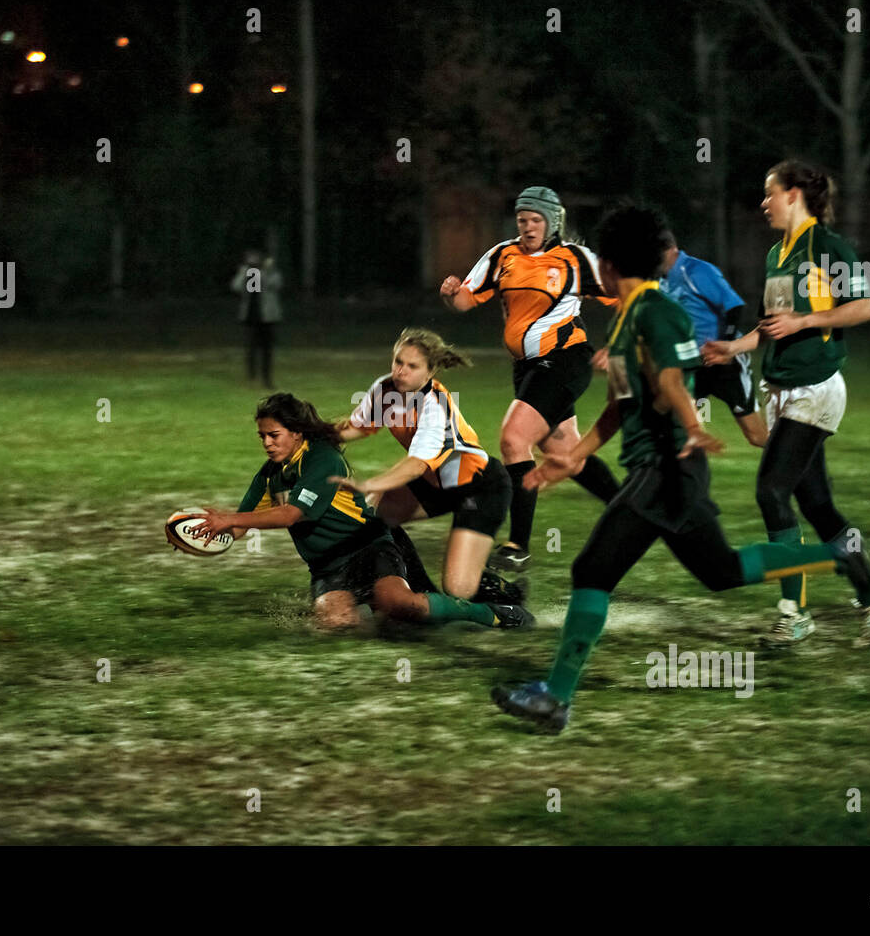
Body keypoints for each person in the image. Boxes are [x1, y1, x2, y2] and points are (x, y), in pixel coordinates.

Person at [491, 203, 870, 734]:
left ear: (609, 265)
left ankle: (555, 699)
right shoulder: (630, 314)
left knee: (592, 571)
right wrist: (577, 452)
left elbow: (672, 381)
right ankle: (838, 554)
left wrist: (690, 424)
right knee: (720, 571)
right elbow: (621, 401)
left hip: (667, 465)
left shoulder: (659, 312)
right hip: (662, 468)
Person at [702, 160, 870, 647]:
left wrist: (807, 323)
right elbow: (774, 323)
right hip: (781, 389)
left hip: (816, 388)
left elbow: (864, 306)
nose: (763, 202)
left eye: (769, 193)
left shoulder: (828, 247)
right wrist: (734, 348)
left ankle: (794, 613)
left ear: (793, 194)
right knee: (818, 505)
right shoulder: (777, 254)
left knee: (771, 491)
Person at [187, 393, 534, 632]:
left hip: (367, 547)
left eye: (274, 435)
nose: (267, 443)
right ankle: (384, 603)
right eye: (262, 436)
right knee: (335, 627)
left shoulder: (321, 459)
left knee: (404, 607)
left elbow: (292, 515)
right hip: (326, 566)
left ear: (296, 433)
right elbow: (238, 528)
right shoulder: (269, 475)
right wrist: (200, 533)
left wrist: (231, 519)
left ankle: (491, 614)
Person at [439, 186, 621, 578]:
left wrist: (619, 345)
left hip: (566, 360)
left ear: (553, 222)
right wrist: (452, 294)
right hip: (528, 367)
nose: (527, 226)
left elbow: (627, 296)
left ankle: (518, 546)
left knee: (513, 439)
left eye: (536, 220)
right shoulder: (502, 255)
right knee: (565, 455)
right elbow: (467, 301)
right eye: (522, 219)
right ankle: (629, 508)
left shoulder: (574, 258)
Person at [333, 328, 523, 605]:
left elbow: (414, 466)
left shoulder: (434, 406)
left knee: (458, 588)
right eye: (398, 362)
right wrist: (311, 432)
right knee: (372, 517)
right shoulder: (386, 388)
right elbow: (357, 428)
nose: (401, 371)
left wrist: (369, 484)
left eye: (412, 366)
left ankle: (512, 596)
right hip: (436, 482)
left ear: (430, 371)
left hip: (480, 487)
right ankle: (419, 593)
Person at [658, 234, 769, 447]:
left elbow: (734, 306)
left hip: (726, 366)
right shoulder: (660, 279)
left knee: (756, 436)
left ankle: (803, 466)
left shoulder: (696, 270)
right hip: (694, 366)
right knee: (683, 429)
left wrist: (725, 348)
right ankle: (687, 475)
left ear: (671, 249)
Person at [230, 249, 282, 387]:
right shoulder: (246, 272)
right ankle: (251, 374)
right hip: (250, 315)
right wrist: (244, 272)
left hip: (267, 316)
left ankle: (267, 377)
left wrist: (267, 270)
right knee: (251, 347)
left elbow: (275, 284)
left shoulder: (269, 272)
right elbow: (236, 287)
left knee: (267, 349)